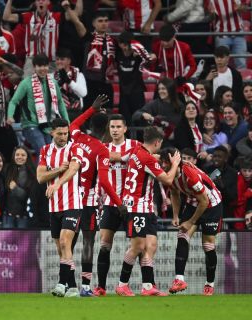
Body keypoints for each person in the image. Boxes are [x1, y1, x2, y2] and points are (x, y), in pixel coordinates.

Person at [69, 96, 125, 297]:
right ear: (106, 130)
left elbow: (73, 124)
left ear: (91, 125)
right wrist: (119, 203)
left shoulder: (77, 137)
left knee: (70, 241)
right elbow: (103, 180)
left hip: (72, 198)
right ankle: (85, 287)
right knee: (88, 243)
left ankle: (67, 283)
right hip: (89, 201)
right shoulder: (101, 149)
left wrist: (91, 109)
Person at [115, 126, 181, 297]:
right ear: (157, 142)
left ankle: (147, 286)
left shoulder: (137, 150)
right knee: (138, 246)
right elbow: (167, 179)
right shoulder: (147, 158)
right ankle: (122, 284)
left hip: (147, 208)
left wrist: (155, 158)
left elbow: (147, 160)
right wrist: (174, 164)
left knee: (150, 246)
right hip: (136, 208)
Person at [159, 148, 222, 296]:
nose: (162, 165)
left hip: (211, 204)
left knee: (207, 245)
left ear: (174, 161)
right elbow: (174, 193)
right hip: (194, 201)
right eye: (161, 161)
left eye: (164, 162)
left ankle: (209, 284)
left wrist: (190, 222)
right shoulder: (171, 173)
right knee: (182, 235)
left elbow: (205, 201)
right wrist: (175, 215)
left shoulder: (189, 175)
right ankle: (179, 279)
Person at [37, 118, 84, 298]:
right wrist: (57, 170)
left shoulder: (74, 147)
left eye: (66, 133)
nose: (64, 137)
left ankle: (61, 283)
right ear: (52, 133)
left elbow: (73, 170)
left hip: (73, 204)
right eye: (60, 134)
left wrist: (57, 184)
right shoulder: (45, 150)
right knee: (61, 249)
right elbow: (40, 177)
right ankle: (72, 287)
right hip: (54, 206)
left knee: (65, 242)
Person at [94, 114, 140, 296]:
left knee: (138, 244)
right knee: (105, 245)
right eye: (112, 127)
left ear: (125, 128)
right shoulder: (104, 148)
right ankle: (101, 287)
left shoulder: (135, 145)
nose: (114, 130)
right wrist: (124, 158)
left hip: (131, 204)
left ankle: (133, 285)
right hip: (110, 204)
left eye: (118, 127)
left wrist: (118, 157)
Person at [7, 53, 69, 156]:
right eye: (39, 66)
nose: (42, 68)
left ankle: (41, 172)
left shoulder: (53, 82)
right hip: (30, 124)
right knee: (43, 151)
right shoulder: (26, 83)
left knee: (51, 154)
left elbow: (60, 103)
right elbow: (14, 101)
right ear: (34, 67)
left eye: (45, 65)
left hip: (47, 126)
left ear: (48, 66)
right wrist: (10, 116)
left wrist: (67, 121)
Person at [3, 0, 83, 76]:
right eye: (38, 0)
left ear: (48, 2)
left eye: (43, 0)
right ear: (35, 3)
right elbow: (7, 17)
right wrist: (10, 0)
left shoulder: (56, 16)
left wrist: (67, 8)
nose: (40, 1)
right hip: (32, 60)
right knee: (28, 84)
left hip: (51, 60)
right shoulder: (27, 16)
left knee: (55, 86)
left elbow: (77, 13)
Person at [66, 7, 115, 109]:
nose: (104, 23)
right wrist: (67, 7)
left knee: (108, 112)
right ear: (93, 24)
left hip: (106, 83)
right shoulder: (88, 37)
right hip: (89, 83)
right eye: (100, 21)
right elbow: (76, 21)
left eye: (106, 21)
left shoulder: (113, 41)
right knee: (88, 113)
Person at [115, 31, 151, 124]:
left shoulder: (139, 55)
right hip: (123, 92)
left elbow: (151, 58)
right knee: (124, 121)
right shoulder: (117, 53)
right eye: (124, 45)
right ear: (119, 44)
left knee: (140, 120)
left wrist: (140, 54)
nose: (126, 48)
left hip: (137, 90)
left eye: (128, 45)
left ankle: (140, 139)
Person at [207, 0, 248, 70]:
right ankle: (222, 80)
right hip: (221, 35)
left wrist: (240, 8)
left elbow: (245, 9)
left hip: (238, 34)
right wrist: (211, 13)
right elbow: (210, 19)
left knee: (241, 63)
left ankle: (242, 80)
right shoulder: (212, 1)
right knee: (221, 64)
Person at [3, 146, 36, 228]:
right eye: (17, 155)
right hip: (7, 216)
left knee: (23, 241)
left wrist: (15, 189)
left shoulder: (33, 173)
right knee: (7, 241)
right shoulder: (7, 169)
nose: (20, 157)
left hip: (24, 217)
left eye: (23, 155)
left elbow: (30, 196)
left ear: (27, 157)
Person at [205, 146, 237, 228]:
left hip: (224, 214)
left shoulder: (232, 173)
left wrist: (221, 184)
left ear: (225, 159)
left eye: (219, 157)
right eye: (214, 156)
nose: (216, 159)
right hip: (207, 212)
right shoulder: (206, 170)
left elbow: (232, 197)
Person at [54, 47, 87, 122]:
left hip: (76, 113)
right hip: (58, 113)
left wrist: (69, 82)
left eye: (62, 59)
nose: (59, 62)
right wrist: (59, 84)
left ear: (69, 61)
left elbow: (83, 93)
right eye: (57, 59)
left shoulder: (78, 75)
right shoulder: (52, 76)